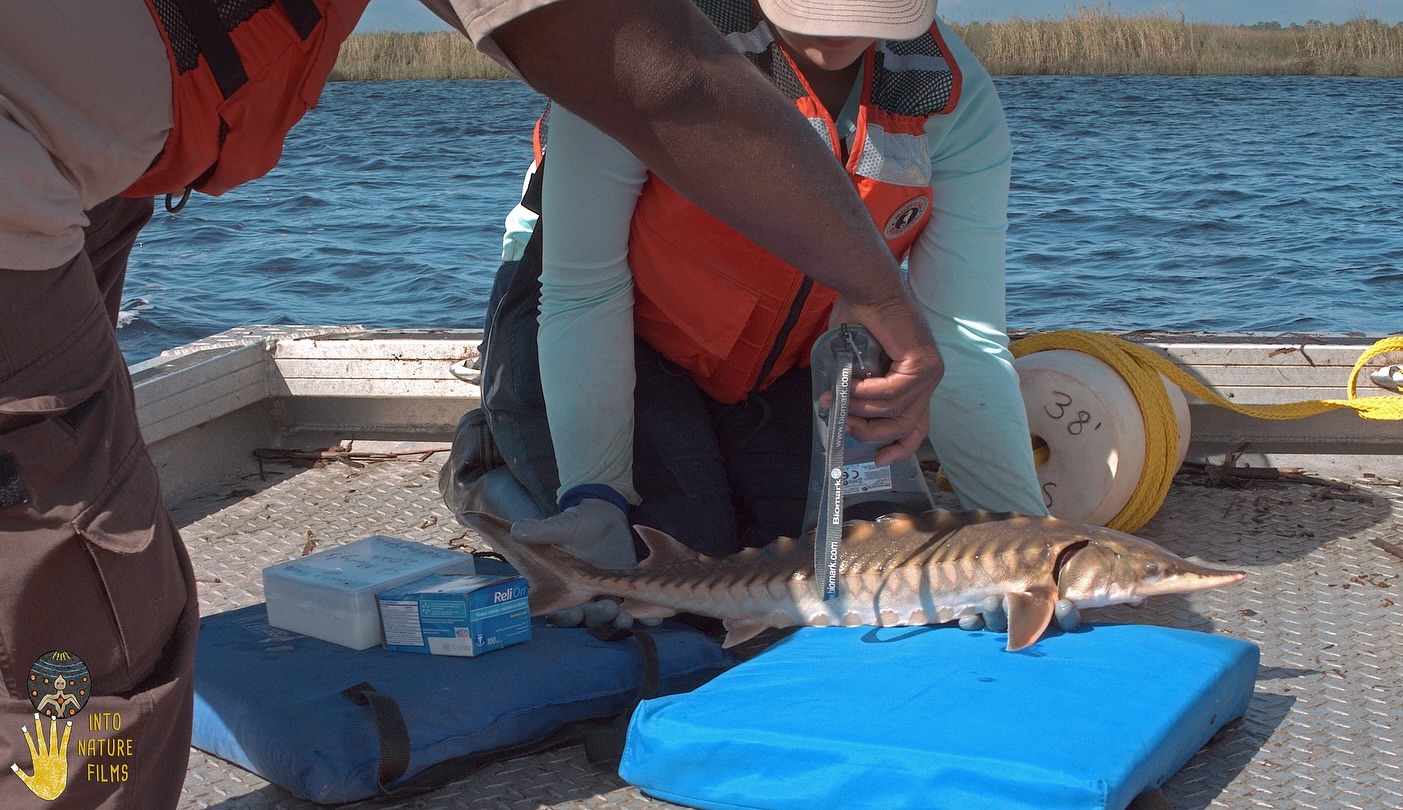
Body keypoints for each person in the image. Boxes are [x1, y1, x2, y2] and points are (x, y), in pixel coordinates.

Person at [1, 1, 942, 806]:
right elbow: (664, 81)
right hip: (21, 164)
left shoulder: (937, 99)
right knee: (93, 655)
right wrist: (601, 492)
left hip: (77, 167)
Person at [468, 0, 1047, 569]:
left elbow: (964, 337)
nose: (838, 31)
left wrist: (1029, 545)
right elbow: (582, 290)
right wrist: (595, 489)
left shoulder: (951, 97)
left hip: (773, 366)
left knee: (815, 562)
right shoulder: (629, 43)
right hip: (586, 323)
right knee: (662, 567)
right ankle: (486, 469)